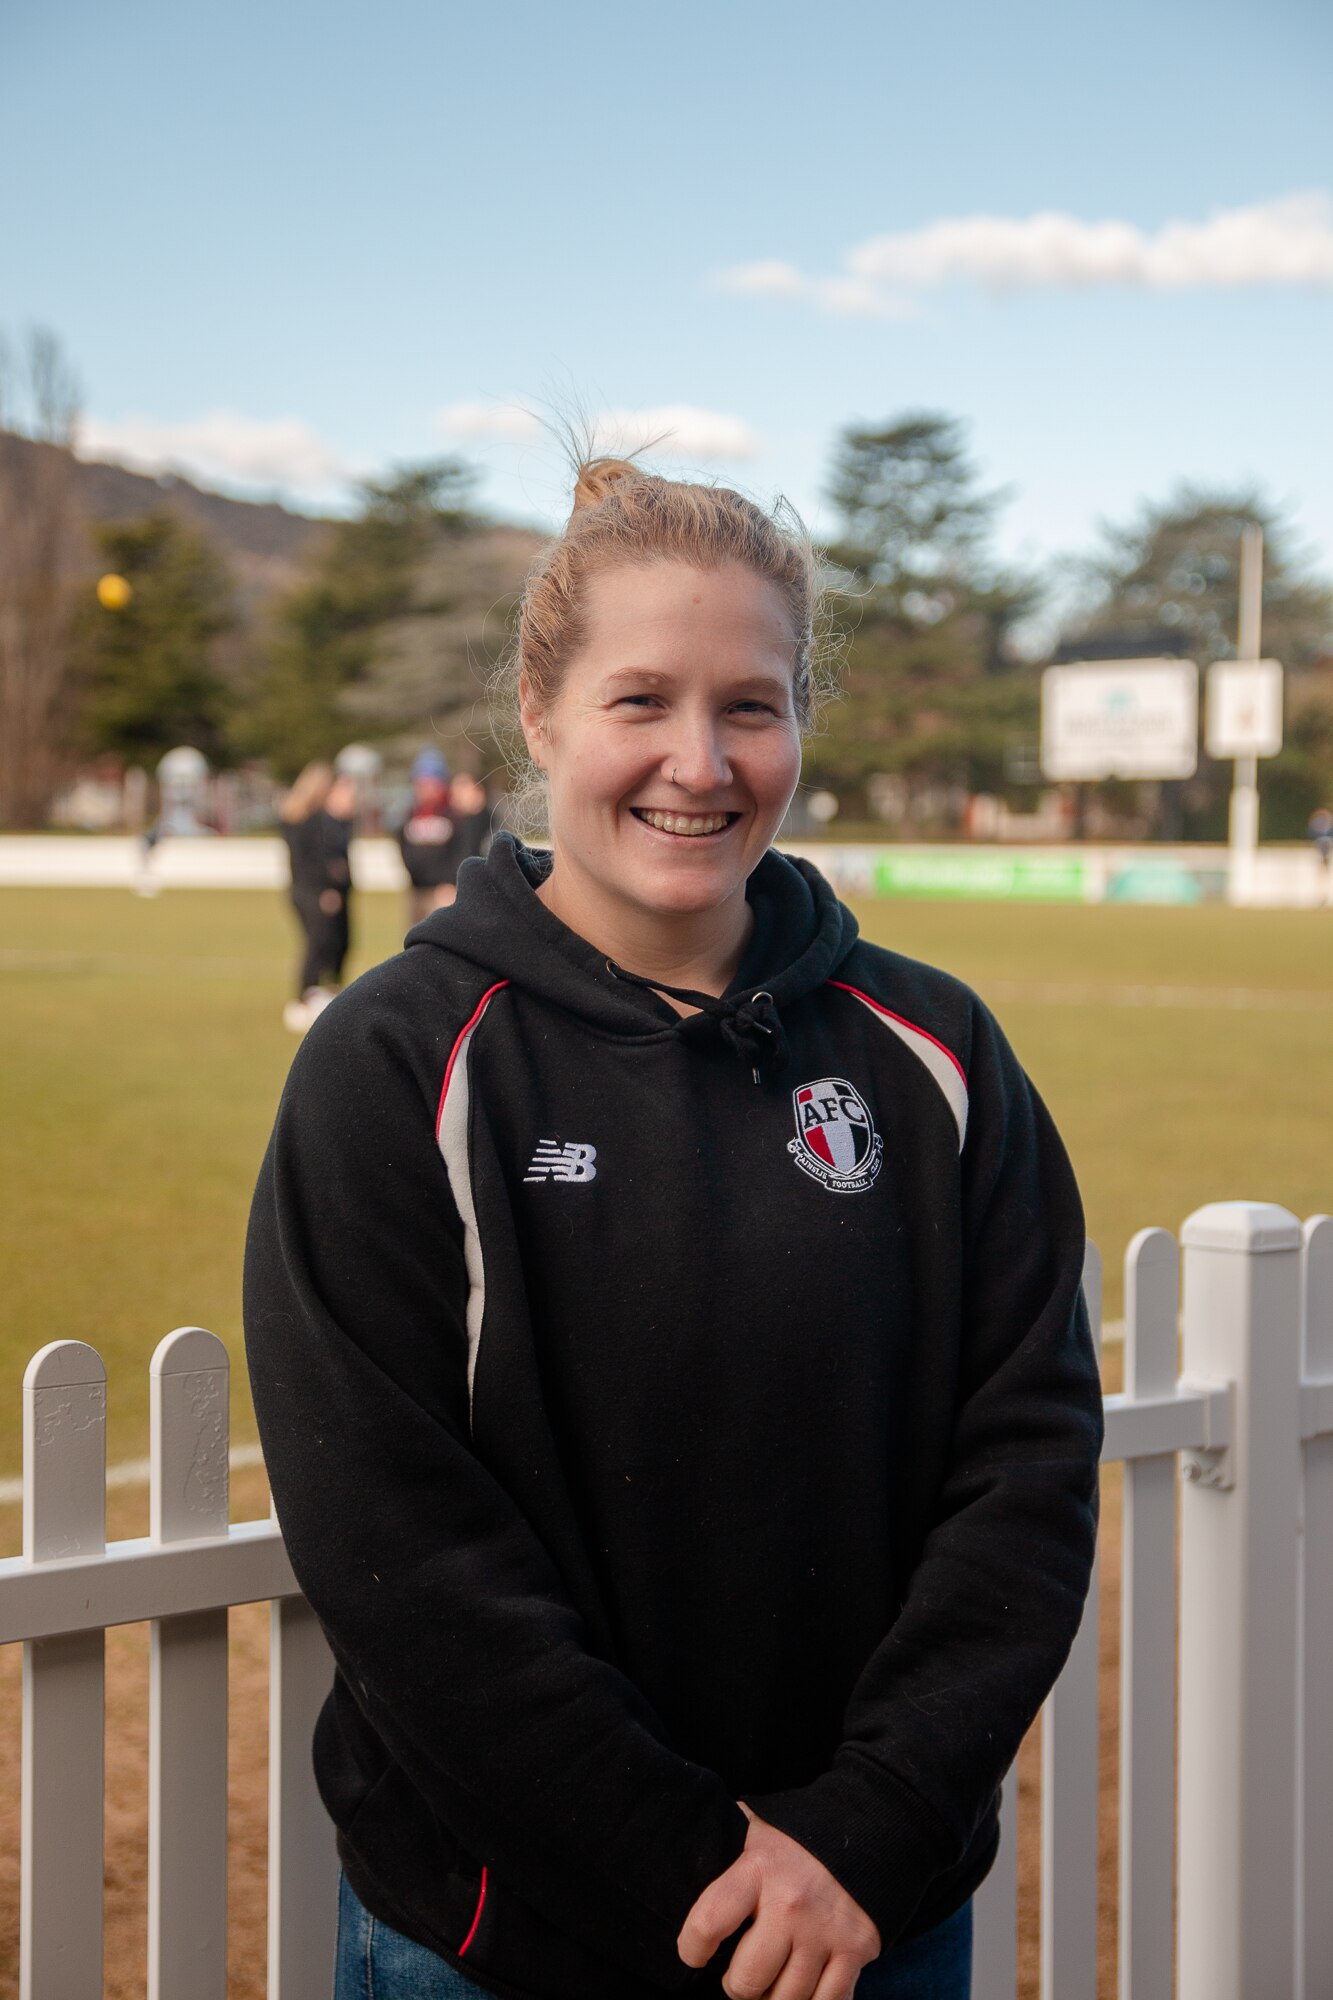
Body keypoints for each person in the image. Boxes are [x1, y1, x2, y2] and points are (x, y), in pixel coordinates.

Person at [244, 459, 1103, 2000]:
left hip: (867, 1918)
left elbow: (1025, 1465)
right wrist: (703, 1867)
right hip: (517, 1934)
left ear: (798, 723)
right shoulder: (396, 1062)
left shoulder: (937, 1051)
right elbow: (396, 1551)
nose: (697, 764)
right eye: (640, 701)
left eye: (750, 708)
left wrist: (864, 1831)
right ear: (541, 712)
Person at [277, 761, 355, 1033]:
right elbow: (311, 862)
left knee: (329, 942)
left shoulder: (303, 818)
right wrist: (325, 889)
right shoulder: (309, 821)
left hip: (305, 890)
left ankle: (318, 995)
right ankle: (303, 999)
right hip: (311, 891)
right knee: (317, 944)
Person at [397, 749, 459, 923]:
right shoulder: (410, 814)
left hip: (443, 891)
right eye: (421, 783)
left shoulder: (452, 815)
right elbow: (403, 846)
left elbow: (460, 849)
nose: (426, 789)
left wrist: (450, 882)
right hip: (417, 890)